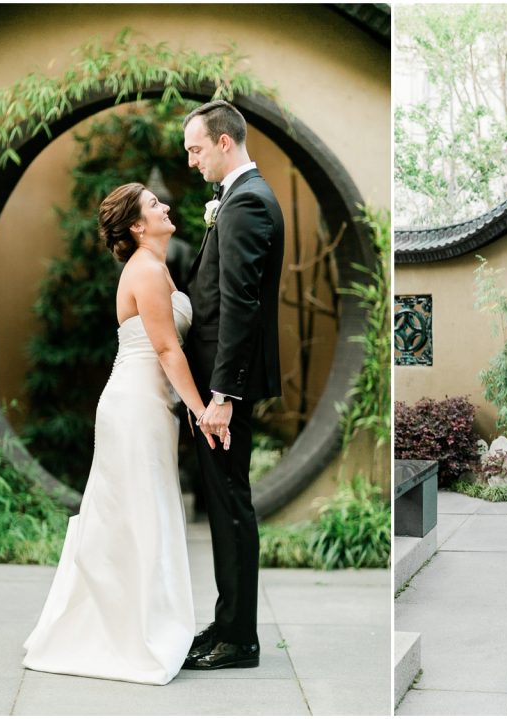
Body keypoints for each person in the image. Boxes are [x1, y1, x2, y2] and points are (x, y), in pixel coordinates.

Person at [23, 182, 225, 685]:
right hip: (136, 404)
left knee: (137, 510)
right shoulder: (149, 270)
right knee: (136, 513)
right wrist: (203, 411)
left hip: (146, 404)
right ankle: (132, 634)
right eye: (156, 204)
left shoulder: (153, 269)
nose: (167, 206)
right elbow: (166, 349)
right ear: (137, 226)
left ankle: (132, 624)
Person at [181, 101, 285, 670]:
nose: (192, 161)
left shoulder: (246, 203)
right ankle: (227, 624)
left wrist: (221, 397)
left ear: (224, 142)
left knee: (230, 506)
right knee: (224, 504)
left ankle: (239, 638)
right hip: (219, 383)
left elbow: (240, 307)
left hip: (224, 389)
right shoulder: (242, 198)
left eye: (197, 149)